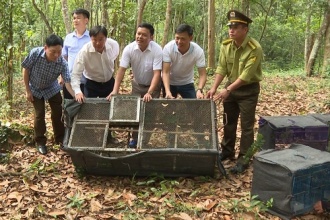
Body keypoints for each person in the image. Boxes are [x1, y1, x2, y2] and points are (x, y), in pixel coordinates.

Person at [207, 10, 263, 174]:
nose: (231, 30)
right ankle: (227, 151)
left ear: (245, 29)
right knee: (228, 122)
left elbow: (246, 76)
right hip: (230, 88)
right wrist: (214, 88)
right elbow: (222, 68)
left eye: (236, 27)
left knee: (246, 126)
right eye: (230, 26)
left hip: (248, 90)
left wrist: (227, 90)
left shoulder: (255, 48)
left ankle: (244, 158)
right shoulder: (226, 45)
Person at [110, 22, 162, 147]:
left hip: (153, 87)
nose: (140, 37)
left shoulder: (157, 50)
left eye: (144, 35)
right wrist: (115, 90)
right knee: (135, 113)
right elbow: (121, 71)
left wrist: (150, 92)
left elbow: (157, 74)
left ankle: (144, 141)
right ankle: (134, 139)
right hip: (137, 85)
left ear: (151, 37)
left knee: (150, 114)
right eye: (138, 34)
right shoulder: (129, 49)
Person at [22, 34, 75, 155]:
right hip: (35, 88)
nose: (56, 55)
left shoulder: (62, 62)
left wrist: (74, 95)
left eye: (59, 51)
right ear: (46, 48)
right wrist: (27, 90)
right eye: (53, 52)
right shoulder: (35, 53)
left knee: (58, 113)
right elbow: (25, 69)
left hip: (52, 88)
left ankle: (60, 139)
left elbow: (67, 82)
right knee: (39, 114)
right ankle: (40, 142)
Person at [70, 25, 119, 142]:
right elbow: (75, 74)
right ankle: (90, 137)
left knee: (109, 110)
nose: (97, 43)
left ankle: (108, 136)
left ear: (106, 38)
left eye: (101, 39)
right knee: (89, 110)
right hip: (91, 83)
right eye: (94, 40)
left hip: (108, 82)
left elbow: (115, 59)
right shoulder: (84, 52)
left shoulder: (113, 46)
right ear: (90, 38)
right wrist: (77, 91)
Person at [162, 24, 207, 99]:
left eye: (183, 39)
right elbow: (165, 72)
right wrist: (167, 91)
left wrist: (199, 90)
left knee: (193, 106)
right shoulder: (168, 48)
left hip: (187, 82)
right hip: (170, 82)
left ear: (191, 38)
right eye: (177, 38)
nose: (179, 41)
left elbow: (202, 74)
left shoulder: (198, 51)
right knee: (168, 107)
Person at [62, 8, 90, 99]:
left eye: (78, 18)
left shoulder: (91, 38)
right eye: (74, 18)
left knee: (87, 108)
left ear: (86, 20)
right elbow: (64, 58)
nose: (75, 20)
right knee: (69, 107)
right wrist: (62, 76)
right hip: (69, 79)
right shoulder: (68, 38)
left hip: (87, 80)